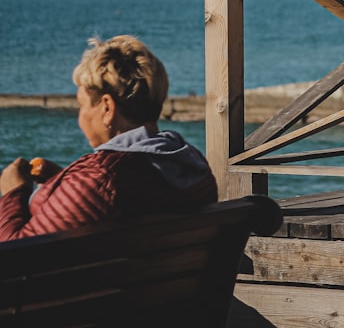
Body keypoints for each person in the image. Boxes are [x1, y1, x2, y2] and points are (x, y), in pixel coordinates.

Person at [0, 35, 217, 241]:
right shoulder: (191, 166)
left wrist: (14, 192)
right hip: (171, 279)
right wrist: (62, 185)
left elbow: (15, 255)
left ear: (106, 107)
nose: (80, 117)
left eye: (82, 105)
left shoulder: (99, 178)